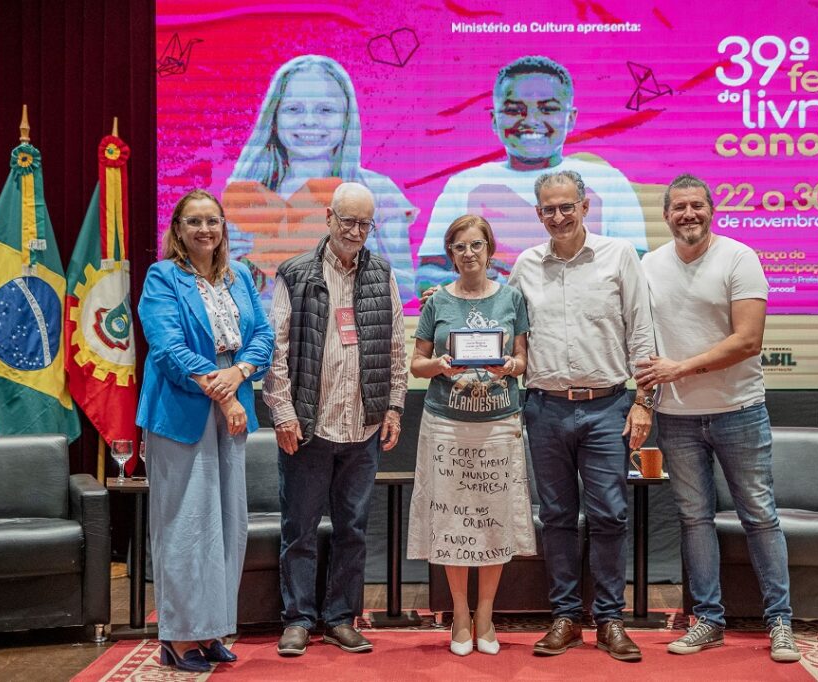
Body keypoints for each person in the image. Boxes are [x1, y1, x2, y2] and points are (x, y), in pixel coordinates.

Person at [634, 173, 801, 663]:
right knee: (694, 520)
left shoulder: (739, 258)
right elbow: (645, 344)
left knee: (760, 517)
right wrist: (645, 400)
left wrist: (680, 369)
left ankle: (780, 621)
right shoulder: (649, 265)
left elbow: (748, 340)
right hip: (678, 417)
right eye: (679, 207)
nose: (689, 214)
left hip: (739, 412)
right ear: (666, 215)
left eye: (697, 205)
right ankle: (707, 620)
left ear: (712, 210)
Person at [509, 169, 654, 662]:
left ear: (585, 206)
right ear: (538, 214)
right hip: (544, 408)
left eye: (566, 206)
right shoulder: (526, 265)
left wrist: (643, 402)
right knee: (555, 517)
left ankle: (610, 619)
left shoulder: (620, 256)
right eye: (549, 209)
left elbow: (642, 332)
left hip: (608, 406)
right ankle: (566, 617)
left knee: (610, 514)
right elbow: (509, 330)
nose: (558, 216)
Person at [263, 182, 408, 657]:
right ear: (328, 217)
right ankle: (298, 619)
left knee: (353, 530)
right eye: (348, 221)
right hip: (308, 426)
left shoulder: (382, 272)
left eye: (365, 223)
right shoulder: (295, 273)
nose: (355, 231)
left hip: (362, 427)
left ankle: (341, 618)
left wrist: (394, 406)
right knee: (299, 531)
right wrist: (283, 413)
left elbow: (396, 346)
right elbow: (276, 349)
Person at [136, 189, 274, 673]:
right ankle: (178, 636)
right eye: (193, 221)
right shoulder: (162, 277)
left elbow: (263, 335)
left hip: (230, 408)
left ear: (223, 227)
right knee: (185, 526)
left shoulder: (239, 277)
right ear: (177, 229)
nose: (204, 230)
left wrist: (240, 373)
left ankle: (212, 629)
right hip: (182, 411)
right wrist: (226, 392)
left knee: (227, 526)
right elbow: (168, 347)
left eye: (212, 221)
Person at [406, 214, 535, 656]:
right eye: (459, 246)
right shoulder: (437, 301)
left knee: (493, 521)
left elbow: (522, 358)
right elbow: (416, 364)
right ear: (450, 253)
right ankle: (460, 615)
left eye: (476, 245)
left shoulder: (512, 298)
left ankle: (486, 615)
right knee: (452, 522)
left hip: (498, 426)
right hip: (446, 425)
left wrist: (511, 366)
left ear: (490, 249)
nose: (468, 254)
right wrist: (440, 366)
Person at [416, 55, 648, 293]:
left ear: (571, 118)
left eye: (548, 109)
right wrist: (482, 283)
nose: (531, 120)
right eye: (514, 110)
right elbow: (427, 276)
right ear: (494, 119)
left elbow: (637, 272)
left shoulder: (609, 183)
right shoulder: (464, 185)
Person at [223, 55, 418, 304]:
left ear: (346, 118)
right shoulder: (246, 198)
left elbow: (408, 287)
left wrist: (357, 262)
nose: (309, 121)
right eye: (293, 109)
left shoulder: (378, 191)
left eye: (326, 110)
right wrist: (225, 264)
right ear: (274, 117)